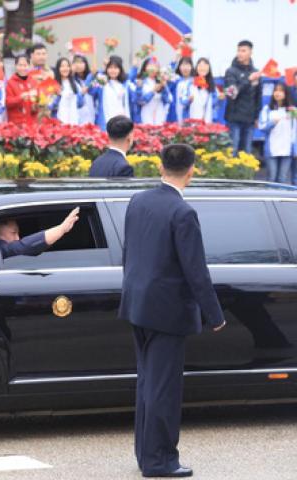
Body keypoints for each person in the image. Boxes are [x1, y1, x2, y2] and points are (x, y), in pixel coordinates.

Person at [119, 143, 226, 478]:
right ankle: (160, 460)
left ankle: (145, 453)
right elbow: (196, 270)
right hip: (167, 311)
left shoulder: (138, 201)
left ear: (160, 165)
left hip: (137, 304)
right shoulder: (183, 213)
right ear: (191, 171)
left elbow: (130, 253)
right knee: (163, 388)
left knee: (147, 383)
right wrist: (215, 314)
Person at [224, 40, 262, 155]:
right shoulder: (230, 71)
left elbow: (258, 96)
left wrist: (256, 116)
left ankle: (246, 174)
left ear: (250, 52)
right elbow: (231, 94)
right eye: (238, 50)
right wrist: (248, 80)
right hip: (234, 120)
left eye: (243, 51)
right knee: (232, 152)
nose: (240, 53)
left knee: (247, 153)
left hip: (249, 120)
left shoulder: (255, 72)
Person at [0, 207, 79, 259]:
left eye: (18, 233)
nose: (18, 238)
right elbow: (21, 247)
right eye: (13, 233)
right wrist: (62, 229)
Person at [258, 82, 295, 184]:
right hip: (272, 149)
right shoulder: (267, 109)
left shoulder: (291, 110)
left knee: (282, 179)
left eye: (281, 91)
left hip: (287, 149)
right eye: (276, 90)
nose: (277, 93)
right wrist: (272, 123)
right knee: (272, 178)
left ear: (286, 94)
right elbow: (262, 127)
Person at [89, 56, 134, 131]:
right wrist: (95, 74)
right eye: (110, 67)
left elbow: (134, 97)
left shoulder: (124, 84)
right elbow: (91, 90)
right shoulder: (102, 81)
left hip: (122, 120)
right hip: (106, 120)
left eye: (115, 68)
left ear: (120, 69)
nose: (113, 70)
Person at [135, 57, 171, 125]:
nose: (153, 69)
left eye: (155, 66)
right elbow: (139, 101)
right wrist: (153, 91)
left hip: (159, 114)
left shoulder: (161, 81)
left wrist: (164, 88)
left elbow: (167, 100)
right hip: (146, 114)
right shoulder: (141, 82)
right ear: (145, 68)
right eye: (150, 66)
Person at [5, 54, 39, 126]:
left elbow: (37, 101)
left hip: (31, 123)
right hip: (16, 123)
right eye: (20, 65)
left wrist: (36, 106)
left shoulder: (33, 81)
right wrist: (21, 97)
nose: (22, 68)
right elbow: (8, 103)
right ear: (15, 66)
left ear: (29, 66)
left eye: (25, 65)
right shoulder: (10, 83)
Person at [187, 58, 223, 124]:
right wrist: (188, 100)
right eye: (200, 65)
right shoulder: (190, 84)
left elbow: (217, 101)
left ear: (209, 69)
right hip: (193, 120)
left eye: (205, 65)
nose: (202, 68)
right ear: (196, 68)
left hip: (208, 121)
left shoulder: (213, 86)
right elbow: (183, 100)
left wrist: (221, 97)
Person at [50, 57, 83, 125]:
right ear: (58, 68)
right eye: (62, 66)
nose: (65, 69)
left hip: (73, 122)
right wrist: (58, 96)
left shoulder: (75, 84)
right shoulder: (53, 84)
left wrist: (81, 95)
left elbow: (80, 104)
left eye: (67, 66)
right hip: (59, 122)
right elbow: (50, 107)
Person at [169, 56, 194, 124]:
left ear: (191, 67)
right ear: (179, 67)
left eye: (187, 65)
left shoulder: (194, 81)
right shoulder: (176, 81)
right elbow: (168, 75)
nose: (185, 67)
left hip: (190, 115)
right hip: (175, 115)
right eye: (183, 65)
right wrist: (173, 62)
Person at [72, 55, 95, 125]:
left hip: (91, 113)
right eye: (76, 62)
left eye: (81, 62)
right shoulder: (72, 80)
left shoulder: (93, 78)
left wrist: (93, 75)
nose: (78, 65)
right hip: (77, 116)